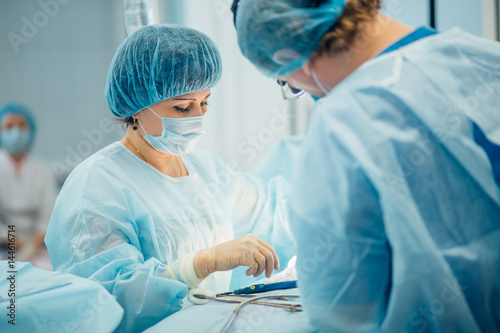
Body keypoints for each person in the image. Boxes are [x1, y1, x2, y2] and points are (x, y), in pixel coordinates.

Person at [234, 0, 500, 332]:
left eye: (290, 84)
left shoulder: (345, 122)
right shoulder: (483, 55)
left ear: (289, 58)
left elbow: (341, 312)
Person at [45, 24, 294, 333]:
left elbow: (273, 213)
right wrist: (202, 263)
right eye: (182, 106)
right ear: (138, 104)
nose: (198, 117)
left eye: (204, 103)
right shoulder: (96, 187)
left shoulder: (206, 171)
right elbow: (107, 303)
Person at [0, 103, 57, 269]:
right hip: (4, 249)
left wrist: (31, 246)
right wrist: (15, 243)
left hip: (38, 249)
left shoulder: (43, 170)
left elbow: (49, 216)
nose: (15, 132)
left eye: (21, 126)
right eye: (9, 126)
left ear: (30, 131)